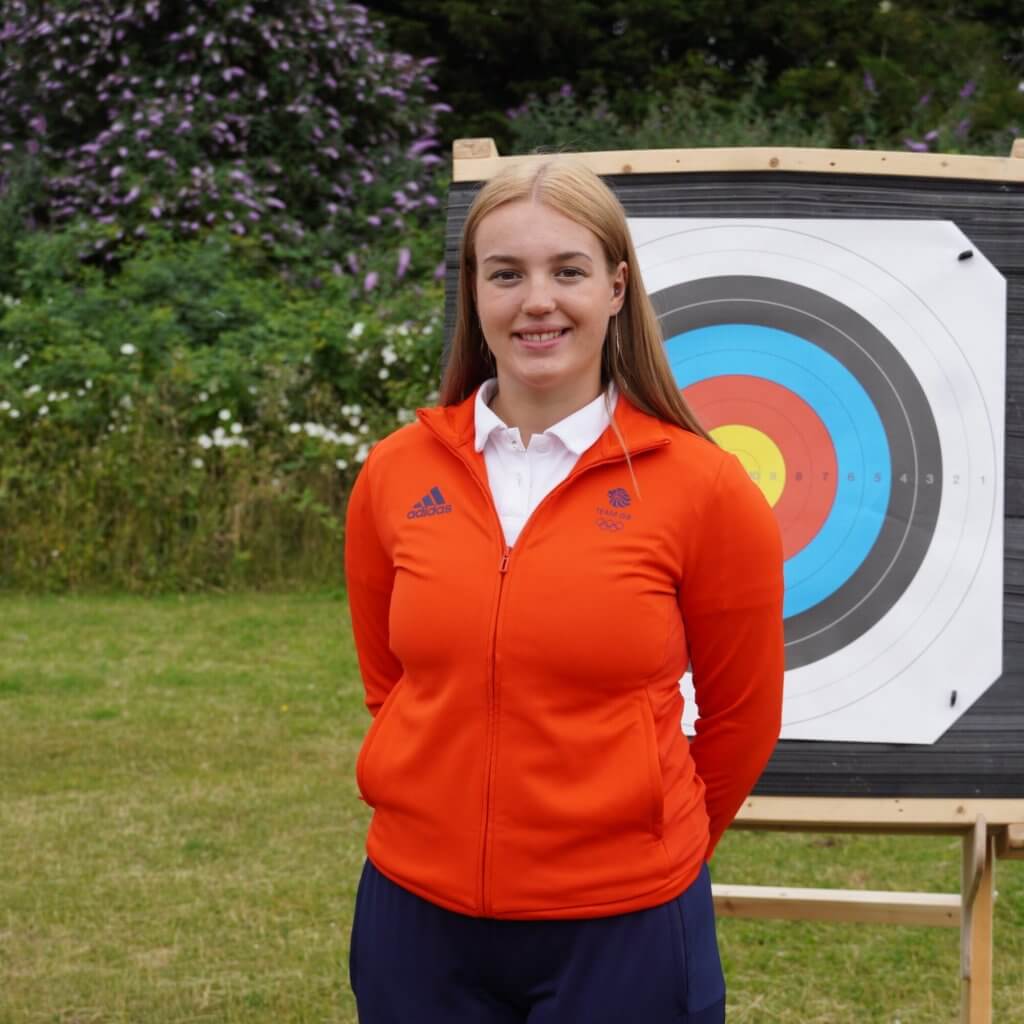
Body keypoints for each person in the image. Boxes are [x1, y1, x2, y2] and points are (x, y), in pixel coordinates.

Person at [344, 157, 785, 1023]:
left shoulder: (707, 487)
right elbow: (392, 684)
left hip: (623, 925)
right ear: (474, 292)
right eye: (506, 273)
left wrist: (645, 842)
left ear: (617, 287)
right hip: (415, 917)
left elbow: (742, 719)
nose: (536, 300)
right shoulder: (395, 473)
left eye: (568, 271)